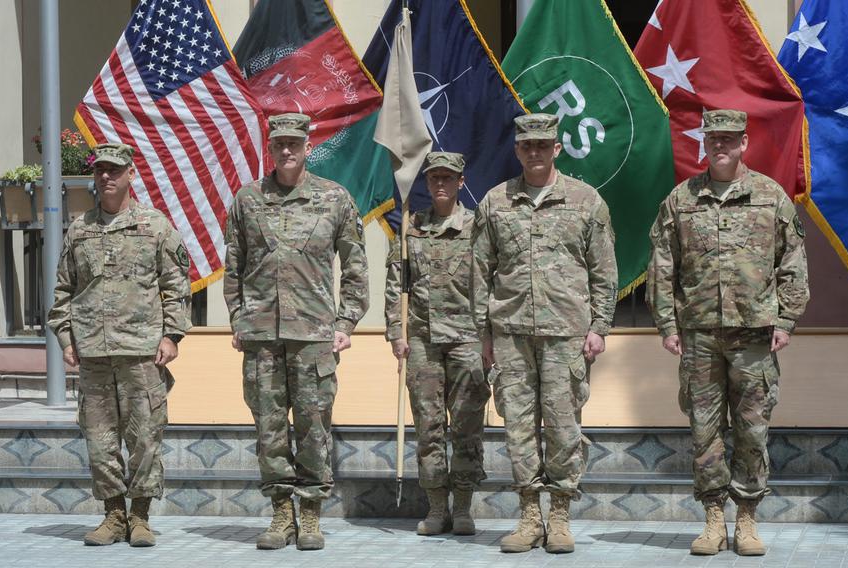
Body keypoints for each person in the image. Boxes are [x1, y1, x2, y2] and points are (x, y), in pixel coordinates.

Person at [646, 109, 810, 556]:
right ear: (705, 143)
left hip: (754, 333)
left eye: (729, 138)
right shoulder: (681, 200)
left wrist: (786, 319)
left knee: (752, 429)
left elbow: (792, 261)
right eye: (713, 138)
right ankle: (714, 518)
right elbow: (663, 266)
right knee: (704, 430)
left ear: (744, 143)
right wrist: (666, 324)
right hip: (698, 335)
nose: (720, 145)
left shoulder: (769, 196)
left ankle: (748, 519)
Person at [470, 114, 617, 553]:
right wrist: (484, 334)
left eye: (543, 145)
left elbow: (604, 270)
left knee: (562, 426)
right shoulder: (496, 202)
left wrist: (600, 327)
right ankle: (529, 515)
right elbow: (480, 271)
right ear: (517, 150)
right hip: (511, 332)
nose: (534, 152)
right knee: (517, 427)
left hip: (565, 333)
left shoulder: (586, 201)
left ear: (557, 148)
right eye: (526, 146)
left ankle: (560, 517)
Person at [223, 112, 369, 551]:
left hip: (314, 336)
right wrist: (238, 318)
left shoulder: (334, 199)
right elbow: (234, 267)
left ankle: (310, 514)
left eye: (294, 143)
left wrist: (345, 323)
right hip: (262, 336)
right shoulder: (247, 200)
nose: (287, 150)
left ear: (308, 146)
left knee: (312, 426)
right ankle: (280, 513)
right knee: (268, 427)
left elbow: (356, 268)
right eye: (279, 144)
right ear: (270, 148)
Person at [48, 143, 192, 547]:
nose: (106, 177)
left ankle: (141, 516)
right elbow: (63, 290)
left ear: (131, 174)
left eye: (114, 170)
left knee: (145, 437)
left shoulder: (155, 225)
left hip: (142, 351)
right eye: (100, 171)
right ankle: (113, 515)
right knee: (99, 438)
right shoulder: (80, 230)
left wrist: (171, 335)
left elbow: (176, 285)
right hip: (93, 352)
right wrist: (65, 338)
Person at [384, 152, 491, 536]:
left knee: (466, 427)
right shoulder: (412, 228)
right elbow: (396, 286)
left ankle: (462, 508)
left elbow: (491, 282)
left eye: (448, 177)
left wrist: (489, 338)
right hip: (424, 342)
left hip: (466, 340)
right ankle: (435, 508)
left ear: (461, 182)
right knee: (428, 429)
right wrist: (397, 333)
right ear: (427, 184)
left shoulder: (477, 227)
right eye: (434, 178)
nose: (440, 184)